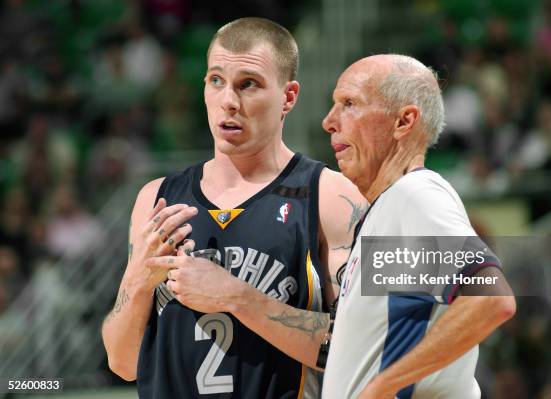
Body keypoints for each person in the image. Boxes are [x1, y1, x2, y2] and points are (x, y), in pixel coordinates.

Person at [101, 18, 367, 399]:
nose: (228, 101)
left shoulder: (331, 196)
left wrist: (236, 297)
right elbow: (121, 362)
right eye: (216, 81)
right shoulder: (156, 198)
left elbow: (356, 348)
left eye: (249, 84)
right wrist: (139, 281)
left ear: (288, 97)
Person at [320, 54, 516, 399]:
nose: (329, 121)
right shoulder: (389, 209)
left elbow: (490, 299)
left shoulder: (416, 194)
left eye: (349, 104)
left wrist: (382, 387)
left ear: (403, 121)